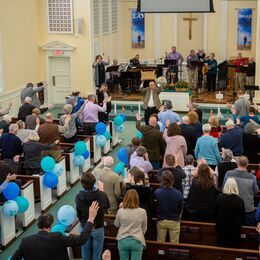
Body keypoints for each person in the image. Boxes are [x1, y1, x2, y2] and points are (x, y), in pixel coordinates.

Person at [11, 201, 99, 260]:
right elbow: (81, 240)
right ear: (51, 225)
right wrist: (91, 218)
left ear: (38, 226)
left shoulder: (26, 241)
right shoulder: (58, 237)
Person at [75, 172, 110, 260]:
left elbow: (78, 214)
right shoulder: (101, 195)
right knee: (97, 254)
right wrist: (101, 191)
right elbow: (106, 206)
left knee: (85, 254)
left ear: (82, 184)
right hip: (98, 227)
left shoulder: (78, 197)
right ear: (93, 183)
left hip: (85, 227)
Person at [223, 156, 259, 226]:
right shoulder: (252, 177)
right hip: (247, 209)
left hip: (231, 208)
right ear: (247, 164)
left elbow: (224, 189)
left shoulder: (228, 174)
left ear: (237, 163)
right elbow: (256, 191)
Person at [114, 189, 147, 260]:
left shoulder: (120, 211)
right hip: (137, 240)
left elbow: (116, 224)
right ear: (137, 199)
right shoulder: (142, 211)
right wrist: (140, 234)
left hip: (122, 239)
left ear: (125, 198)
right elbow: (144, 228)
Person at [216, 178, 245, 247]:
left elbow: (215, 211)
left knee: (222, 246)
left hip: (221, 226)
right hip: (235, 228)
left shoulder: (219, 197)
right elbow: (242, 216)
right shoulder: (240, 200)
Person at [155, 171, 183, 243]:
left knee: (160, 243)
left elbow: (155, 206)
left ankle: (160, 254)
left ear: (162, 180)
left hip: (161, 220)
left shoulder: (157, 192)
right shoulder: (178, 194)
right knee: (174, 245)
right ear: (172, 180)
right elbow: (180, 209)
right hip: (174, 221)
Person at [126, 170, 153, 239]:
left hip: (131, 212)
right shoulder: (148, 190)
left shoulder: (130, 188)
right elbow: (151, 205)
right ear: (143, 178)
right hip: (145, 213)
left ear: (134, 179)